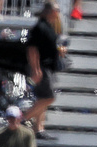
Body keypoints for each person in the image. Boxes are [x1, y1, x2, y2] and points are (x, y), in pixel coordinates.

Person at [25, 1, 63, 139]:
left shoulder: (49, 26)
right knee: (49, 97)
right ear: (50, 11)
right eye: (57, 10)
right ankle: (23, 119)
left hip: (49, 67)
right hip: (42, 67)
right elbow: (32, 49)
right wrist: (36, 69)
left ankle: (38, 129)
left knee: (42, 98)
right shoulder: (39, 27)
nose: (58, 13)